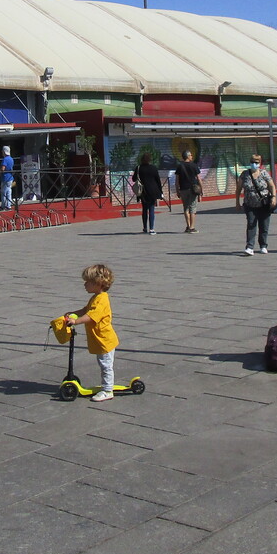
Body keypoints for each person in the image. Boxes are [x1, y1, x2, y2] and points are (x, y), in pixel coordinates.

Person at [63, 264, 120, 403]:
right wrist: (73, 314)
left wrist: (75, 322)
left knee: (106, 365)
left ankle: (107, 390)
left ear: (98, 283)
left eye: (87, 282)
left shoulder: (101, 300)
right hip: (100, 338)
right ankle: (107, 387)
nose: (84, 284)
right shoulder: (96, 297)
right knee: (104, 363)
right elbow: (86, 310)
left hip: (104, 339)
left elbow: (91, 316)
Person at [235, 154, 275, 255]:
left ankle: (263, 245)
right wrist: (237, 202)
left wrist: (274, 197)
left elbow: (271, 186)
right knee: (251, 224)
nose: (254, 164)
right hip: (249, 205)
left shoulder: (264, 173)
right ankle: (249, 247)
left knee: (264, 225)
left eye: (256, 162)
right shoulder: (245, 174)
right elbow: (239, 188)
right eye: (252, 162)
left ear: (260, 163)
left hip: (264, 204)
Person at [132, 152, 162, 234]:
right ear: (150, 159)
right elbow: (158, 180)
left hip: (143, 192)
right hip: (152, 191)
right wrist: (160, 192)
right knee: (151, 209)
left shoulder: (138, 168)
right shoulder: (153, 168)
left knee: (144, 209)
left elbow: (134, 179)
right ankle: (151, 229)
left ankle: (145, 227)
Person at [176, 149, 202, 233]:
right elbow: (199, 179)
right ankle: (192, 227)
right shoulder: (194, 166)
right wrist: (201, 190)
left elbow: (177, 180)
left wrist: (177, 190)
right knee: (193, 208)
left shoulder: (180, 166)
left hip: (183, 189)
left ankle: (188, 226)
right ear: (187, 156)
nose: (192, 156)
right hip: (192, 189)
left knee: (186, 208)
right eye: (190, 155)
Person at [0, 146, 15, 210]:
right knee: (9, 191)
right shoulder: (11, 159)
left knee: (3, 192)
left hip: (5, 177)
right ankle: (9, 205)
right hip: (10, 177)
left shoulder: (5, 159)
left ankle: (3, 205)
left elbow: (3, 168)